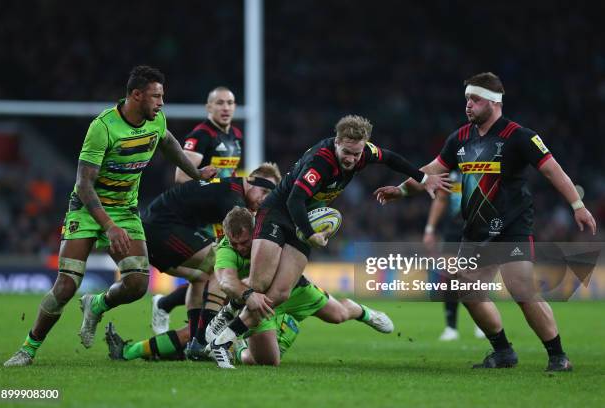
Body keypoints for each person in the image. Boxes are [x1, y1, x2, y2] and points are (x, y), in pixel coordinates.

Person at [375, 72, 597, 371]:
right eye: (467, 99)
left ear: (493, 102)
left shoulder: (520, 136)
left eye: (475, 99)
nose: (468, 105)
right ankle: (503, 352)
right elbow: (432, 171)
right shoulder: (460, 138)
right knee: (463, 287)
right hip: (476, 229)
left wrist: (577, 205)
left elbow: (552, 170)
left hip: (511, 227)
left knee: (520, 288)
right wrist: (401, 190)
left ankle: (558, 356)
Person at [4, 65, 217, 367]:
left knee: (137, 284)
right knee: (66, 285)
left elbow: (168, 142)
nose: (161, 102)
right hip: (88, 208)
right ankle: (28, 348)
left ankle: (97, 304)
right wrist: (110, 227)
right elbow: (84, 184)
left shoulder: (155, 121)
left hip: (125, 209)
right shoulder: (103, 128)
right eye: (156, 96)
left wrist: (195, 172)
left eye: (162, 96)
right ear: (136, 95)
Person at [206, 114, 451, 368]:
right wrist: (310, 234)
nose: (351, 159)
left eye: (356, 154)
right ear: (337, 141)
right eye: (346, 152)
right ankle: (225, 319)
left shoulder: (364, 151)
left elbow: (391, 158)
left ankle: (223, 340)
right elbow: (294, 200)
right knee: (259, 283)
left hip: (304, 219)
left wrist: (423, 179)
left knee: (279, 293)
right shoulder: (320, 161)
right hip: (277, 215)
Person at [104, 207, 393, 366]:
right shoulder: (227, 248)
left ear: (254, 230)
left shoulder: (270, 234)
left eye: (245, 242)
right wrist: (248, 294)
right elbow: (226, 279)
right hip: (253, 305)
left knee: (339, 315)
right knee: (266, 362)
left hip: (294, 290)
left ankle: (363, 312)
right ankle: (240, 344)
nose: (242, 248)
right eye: (236, 242)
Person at [141, 163, 281, 351]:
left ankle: (181, 324)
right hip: (161, 227)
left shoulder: (231, 190)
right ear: (250, 181)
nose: (264, 199)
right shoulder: (233, 199)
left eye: (269, 195)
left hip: (163, 227)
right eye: (263, 191)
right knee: (221, 266)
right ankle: (200, 341)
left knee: (202, 278)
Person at [152, 87, 243, 334]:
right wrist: (215, 186)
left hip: (220, 213)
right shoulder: (201, 135)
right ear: (208, 107)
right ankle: (182, 316)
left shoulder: (235, 135)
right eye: (220, 103)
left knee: (218, 273)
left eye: (230, 103)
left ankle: (192, 325)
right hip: (200, 213)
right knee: (219, 271)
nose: (225, 107)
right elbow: (181, 176)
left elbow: (229, 175)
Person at [422, 170, 485, 341]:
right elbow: (441, 199)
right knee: (449, 277)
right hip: (453, 231)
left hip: (477, 230)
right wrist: (430, 229)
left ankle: (482, 324)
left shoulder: (483, 169)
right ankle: (451, 327)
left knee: (475, 278)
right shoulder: (451, 172)